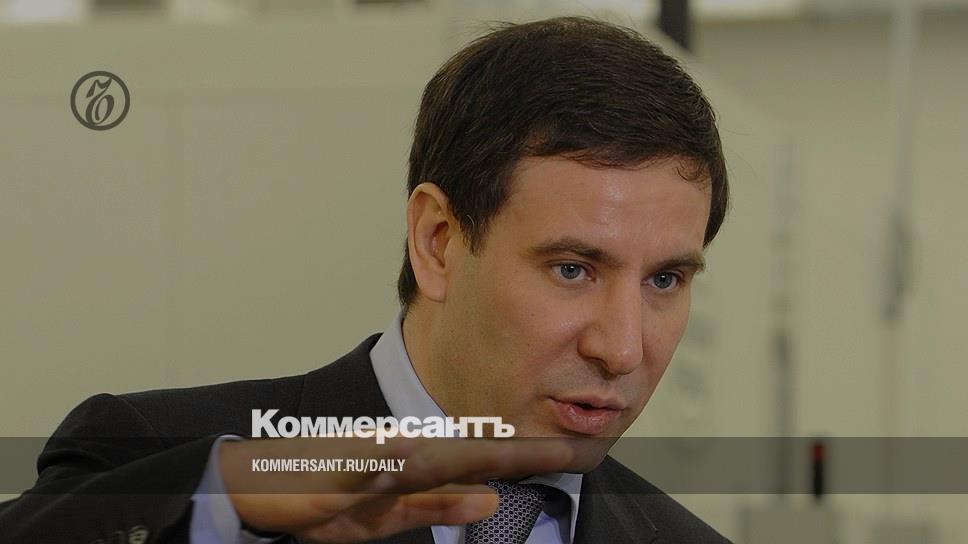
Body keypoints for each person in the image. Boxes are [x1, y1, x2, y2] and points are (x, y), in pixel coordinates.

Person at [0, 16, 730, 544]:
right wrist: (222, 509)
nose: (623, 348)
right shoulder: (160, 461)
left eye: (665, 280)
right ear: (438, 243)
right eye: (572, 269)